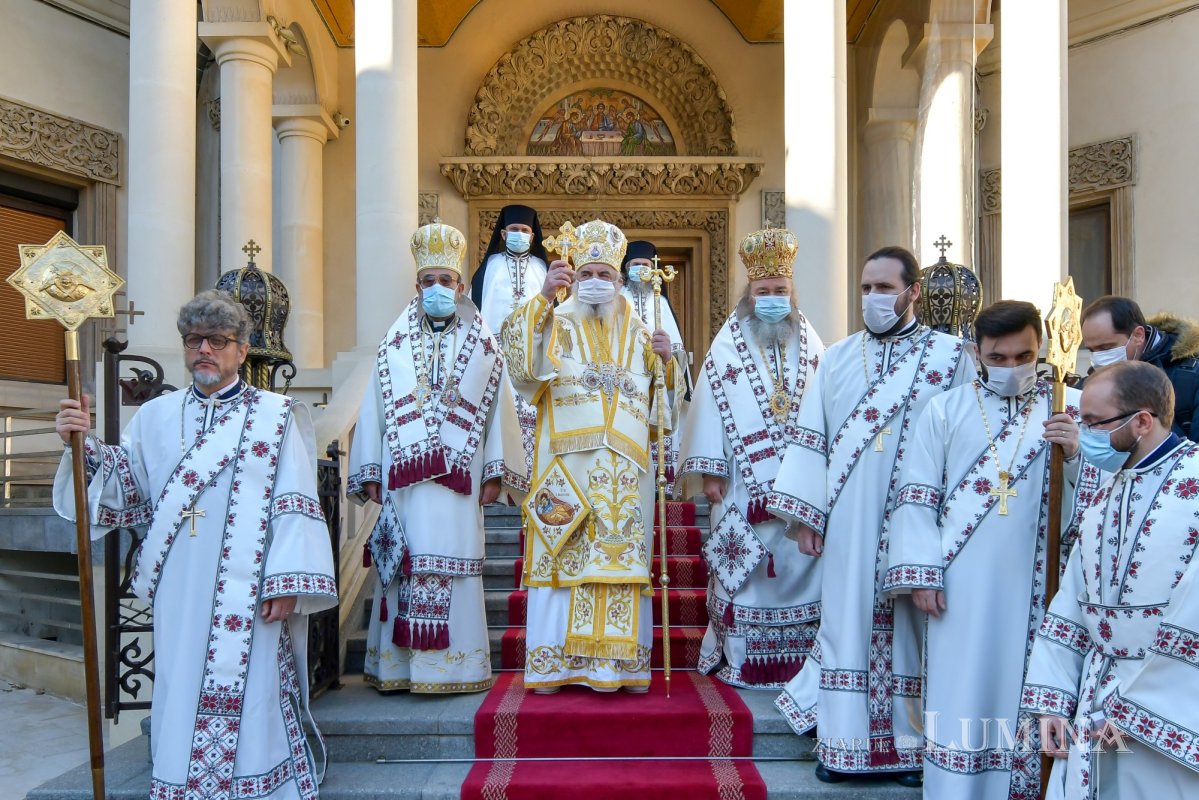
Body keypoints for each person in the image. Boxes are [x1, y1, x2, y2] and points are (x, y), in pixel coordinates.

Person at [52, 290, 336, 800]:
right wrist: (82, 445)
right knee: (180, 684)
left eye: (217, 340)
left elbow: (295, 501)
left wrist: (288, 581)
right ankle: (184, 785)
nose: (204, 349)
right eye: (193, 340)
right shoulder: (156, 417)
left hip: (252, 590)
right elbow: (129, 490)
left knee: (252, 692)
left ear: (242, 350)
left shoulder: (277, 415)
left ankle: (257, 787)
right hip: (179, 585)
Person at [767, 245, 978, 785]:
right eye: (865, 288)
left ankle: (910, 751)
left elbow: (968, 437)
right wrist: (807, 517)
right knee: (847, 623)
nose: (873, 297)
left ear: (913, 292)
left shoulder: (951, 356)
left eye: (884, 287)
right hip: (851, 517)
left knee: (913, 631)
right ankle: (841, 748)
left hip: (920, 518)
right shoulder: (836, 357)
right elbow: (812, 440)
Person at [886, 300, 1081, 799]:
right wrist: (922, 572)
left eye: (1024, 356)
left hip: (1042, 583)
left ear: (1042, 350)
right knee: (962, 691)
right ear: (976, 352)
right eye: (1000, 357)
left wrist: (1079, 454)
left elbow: (1104, 499)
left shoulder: (1068, 408)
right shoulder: (945, 409)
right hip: (961, 586)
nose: (1013, 368)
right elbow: (915, 493)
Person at [500, 219, 681, 693]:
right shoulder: (552, 321)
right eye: (588, 274)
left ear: (621, 282)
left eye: (607, 274)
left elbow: (664, 411)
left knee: (615, 561)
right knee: (566, 557)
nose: (597, 282)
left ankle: (616, 671)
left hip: (624, 473)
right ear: (574, 278)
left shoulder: (644, 332)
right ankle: (557, 666)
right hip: (566, 467)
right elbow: (520, 366)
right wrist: (542, 296)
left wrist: (669, 364)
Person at [347, 221, 524, 695]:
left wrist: (494, 473)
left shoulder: (485, 345)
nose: (438, 290)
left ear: (462, 287)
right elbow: (373, 409)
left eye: (446, 281)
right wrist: (369, 469)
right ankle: (399, 668)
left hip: (459, 481)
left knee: (453, 560)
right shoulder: (394, 344)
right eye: (429, 282)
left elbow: (499, 412)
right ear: (417, 286)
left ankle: (457, 668)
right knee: (403, 563)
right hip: (404, 483)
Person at [1024, 361, 1199, 798]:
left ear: (1142, 420)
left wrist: (1134, 709)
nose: (1086, 434)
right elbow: (1073, 603)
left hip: (1169, 705)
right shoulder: (1105, 495)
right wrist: (1053, 702)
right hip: (1094, 698)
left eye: (1095, 423)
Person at [676, 227, 825, 689]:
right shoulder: (726, 346)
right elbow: (708, 409)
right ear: (750, 294)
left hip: (799, 486)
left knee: (798, 570)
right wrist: (709, 474)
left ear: (791, 293)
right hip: (744, 485)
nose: (773, 298)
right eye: (764, 292)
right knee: (748, 573)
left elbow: (827, 407)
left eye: (780, 291)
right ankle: (741, 658)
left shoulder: (813, 344)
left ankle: (800, 666)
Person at [470, 204, 549, 494]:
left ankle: (534, 481)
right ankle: (497, 480)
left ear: (532, 235)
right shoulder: (488, 269)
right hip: (495, 360)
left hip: (533, 361)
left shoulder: (543, 269)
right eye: (513, 230)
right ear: (503, 233)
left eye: (524, 231)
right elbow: (474, 313)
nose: (519, 235)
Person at [1080, 295, 1199, 440]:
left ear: (1138, 335)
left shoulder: (1191, 376)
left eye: (1106, 347)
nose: (1099, 358)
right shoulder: (1089, 385)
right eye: (1092, 350)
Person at [621, 240, 691, 482]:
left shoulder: (660, 302)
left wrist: (668, 360)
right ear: (626, 268)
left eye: (646, 265)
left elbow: (677, 356)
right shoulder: (617, 299)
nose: (641, 269)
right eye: (636, 264)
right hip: (623, 388)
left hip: (655, 389)